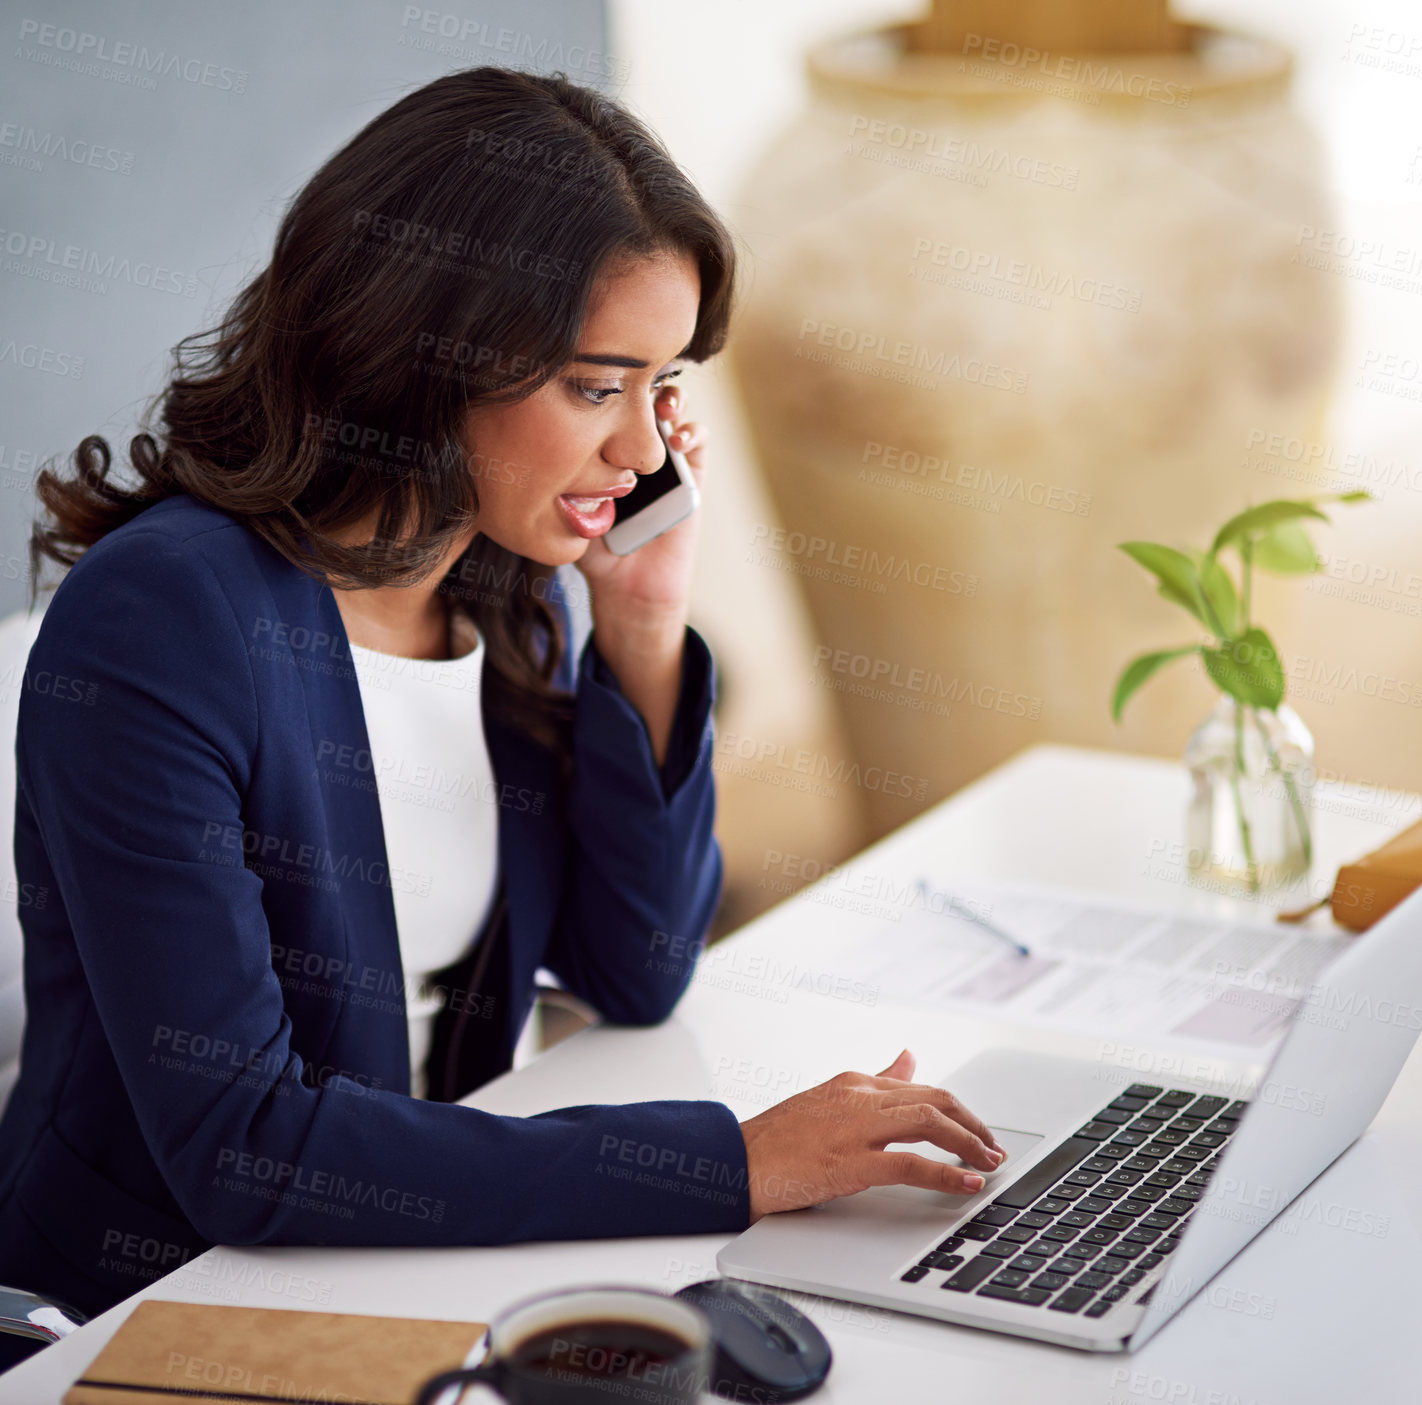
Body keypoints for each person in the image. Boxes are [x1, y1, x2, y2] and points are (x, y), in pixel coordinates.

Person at [0, 66, 1003, 1365]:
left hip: (431, 1266)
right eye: (599, 386)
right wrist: (728, 1160)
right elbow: (242, 1147)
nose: (645, 453)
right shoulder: (170, 619)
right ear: (425, 355)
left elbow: (632, 969)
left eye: (665, 385)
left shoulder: (508, 594)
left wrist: (640, 624)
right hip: (148, 1313)